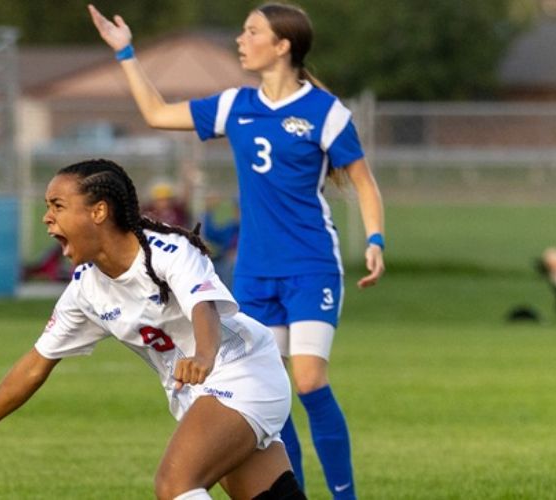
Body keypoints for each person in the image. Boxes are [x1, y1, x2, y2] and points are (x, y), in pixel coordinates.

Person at [89, 4, 385, 498]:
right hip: (253, 271)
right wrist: (125, 52)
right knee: (273, 389)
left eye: (252, 32)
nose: (240, 40)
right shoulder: (236, 105)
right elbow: (157, 114)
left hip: (311, 265)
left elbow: (363, 180)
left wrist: (375, 239)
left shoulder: (325, 112)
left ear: (282, 45)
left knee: (309, 382)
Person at [0, 159, 305, 500]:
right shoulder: (85, 289)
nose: (47, 217)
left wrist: (204, 356)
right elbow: (35, 365)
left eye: (58, 206)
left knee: (175, 485)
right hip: (197, 392)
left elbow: (202, 307)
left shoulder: (168, 251)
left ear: (98, 211)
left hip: (240, 370)